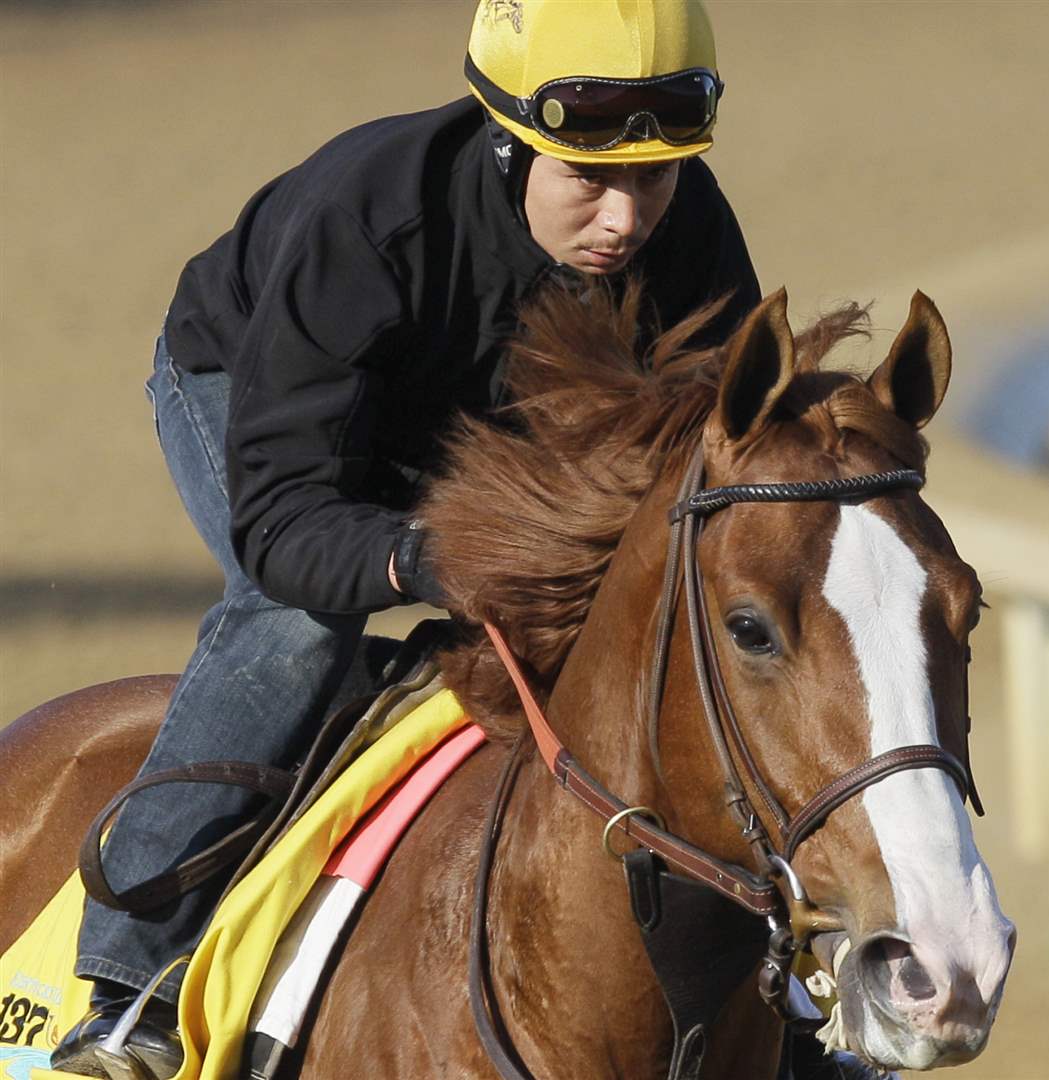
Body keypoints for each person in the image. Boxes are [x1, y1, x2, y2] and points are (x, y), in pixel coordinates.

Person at [52, 1, 761, 1076]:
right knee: (299, 618)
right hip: (258, 399)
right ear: (510, 140)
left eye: (652, 179)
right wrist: (425, 560)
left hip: (474, 429)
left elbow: (722, 465)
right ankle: (129, 992)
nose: (625, 219)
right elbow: (290, 519)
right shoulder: (369, 220)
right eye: (589, 180)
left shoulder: (692, 231)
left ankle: (796, 992)